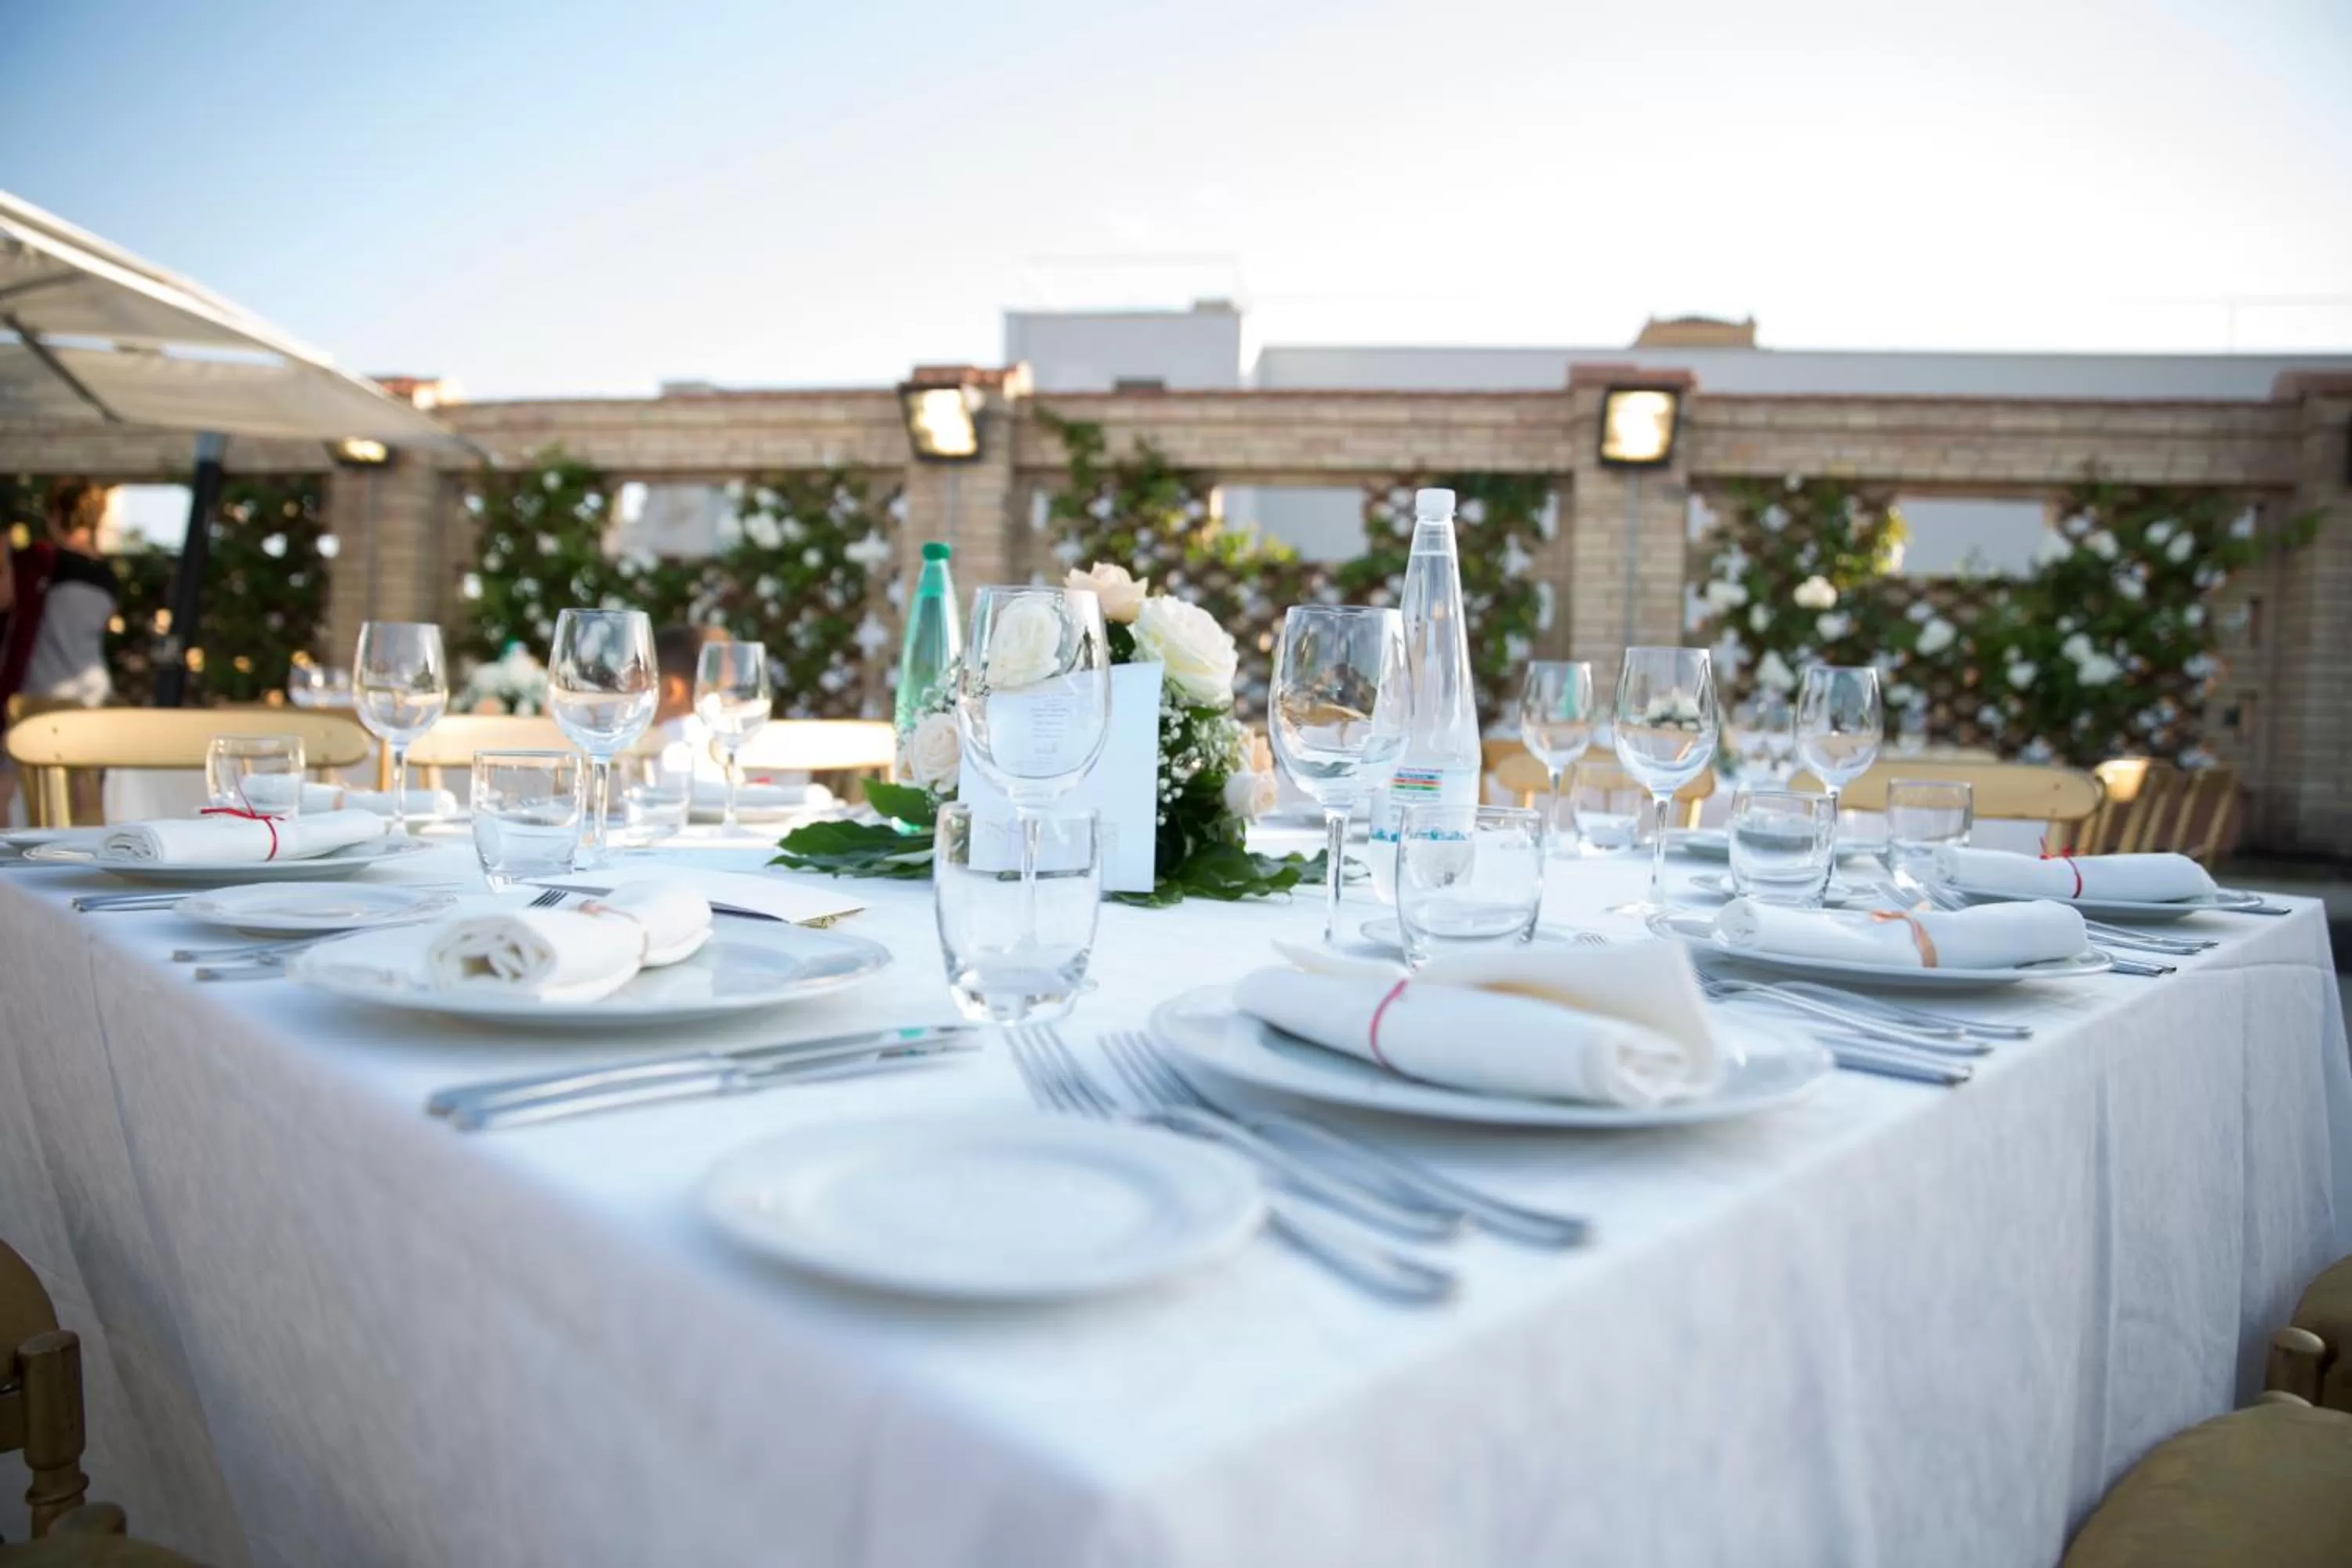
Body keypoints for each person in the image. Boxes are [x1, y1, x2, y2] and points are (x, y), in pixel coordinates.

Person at [1, 480, 121, 822]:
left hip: (41, 687)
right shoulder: (106, 574)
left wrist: (6, 558)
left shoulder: (42, 562)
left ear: (56, 515)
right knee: (85, 785)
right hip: (91, 689)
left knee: (7, 779)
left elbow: (6, 599)